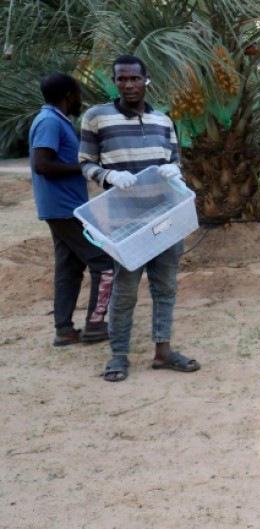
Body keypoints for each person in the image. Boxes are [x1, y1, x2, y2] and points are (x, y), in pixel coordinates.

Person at [78, 54, 200, 382]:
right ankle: (118, 355)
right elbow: (86, 163)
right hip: (124, 224)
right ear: (114, 81)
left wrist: (175, 170)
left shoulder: (163, 120)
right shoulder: (96, 117)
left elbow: (175, 160)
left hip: (165, 220)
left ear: (146, 80)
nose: (129, 84)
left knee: (166, 288)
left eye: (134, 78)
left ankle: (163, 351)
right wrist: (109, 177)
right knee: (126, 290)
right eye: (122, 79)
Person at [29, 72, 114, 347]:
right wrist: (85, 167)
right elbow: (42, 164)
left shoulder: (55, 120)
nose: (80, 100)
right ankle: (95, 324)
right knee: (104, 263)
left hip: (63, 208)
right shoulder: (49, 122)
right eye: (78, 94)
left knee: (69, 268)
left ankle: (64, 330)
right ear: (69, 96)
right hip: (64, 209)